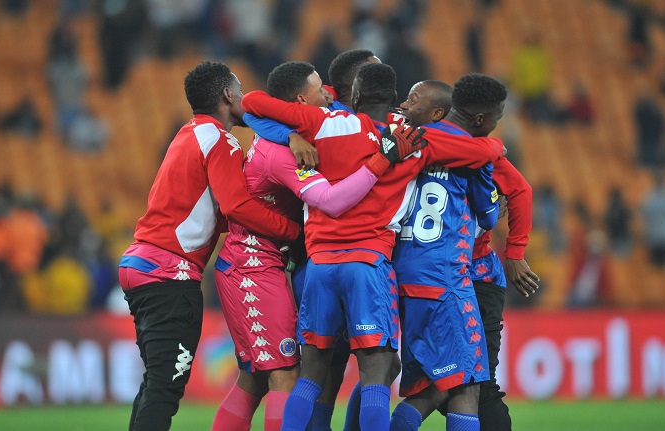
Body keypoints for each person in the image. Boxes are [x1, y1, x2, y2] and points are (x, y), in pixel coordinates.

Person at [242, 62, 504, 430]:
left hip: (318, 264)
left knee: (312, 373)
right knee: (377, 374)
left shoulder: (324, 122)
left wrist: (290, 136)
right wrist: (495, 144)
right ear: (395, 99)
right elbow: (479, 153)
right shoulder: (411, 139)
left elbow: (252, 101)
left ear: (357, 96)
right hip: (369, 263)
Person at [211, 61, 407, 431]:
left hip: (306, 261)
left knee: (270, 377)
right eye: (320, 88)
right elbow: (330, 200)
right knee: (315, 370)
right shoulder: (296, 144)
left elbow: (255, 106)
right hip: (266, 262)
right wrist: (380, 162)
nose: (327, 92)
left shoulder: (322, 122)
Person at [117, 61, 300, 431]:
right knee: (165, 389)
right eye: (240, 88)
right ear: (227, 95)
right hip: (169, 270)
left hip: (143, 263)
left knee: (157, 382)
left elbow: (216, 212)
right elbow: (237, 206)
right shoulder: (221, 139)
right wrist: (293, 232)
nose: (246, 97)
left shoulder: (191, 133)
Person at [394, 76, 539, 431]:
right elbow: (508, 198)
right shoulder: (477, 150)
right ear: (478, 119)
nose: (405, 107)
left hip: (404, 272)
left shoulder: (407, 140)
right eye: (496, 118)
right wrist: (514, 249)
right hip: (458, 275)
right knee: (471, 385)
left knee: (425, 381)